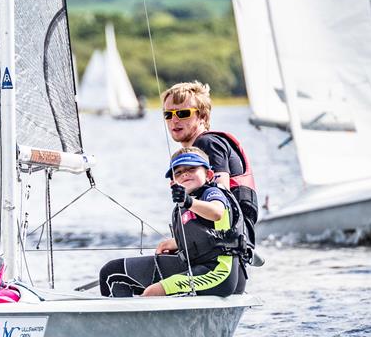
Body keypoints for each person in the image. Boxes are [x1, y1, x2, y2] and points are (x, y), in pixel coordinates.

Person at [99, 147, 250, 298]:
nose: (185, 173)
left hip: (219, 273)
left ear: (208, 175)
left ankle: (140, 318)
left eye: (192, 169)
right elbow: (205, 237)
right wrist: (175, 243)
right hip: (195, 267)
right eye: (178, 172)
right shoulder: (183, 206)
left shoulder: (212, 193)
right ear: (173, 183)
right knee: (112, 273)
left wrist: (188, 201)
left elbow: (217, 212)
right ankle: (119, 319)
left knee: (153, 292)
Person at [161, 81, 258, 245]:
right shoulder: (197, 151)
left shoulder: (208, 144)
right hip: (219, 240)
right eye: (168, 115)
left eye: (183, 113)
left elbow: (223, 202)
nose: (174, 120)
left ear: (202, 116)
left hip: (227, 241)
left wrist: (178, 243)